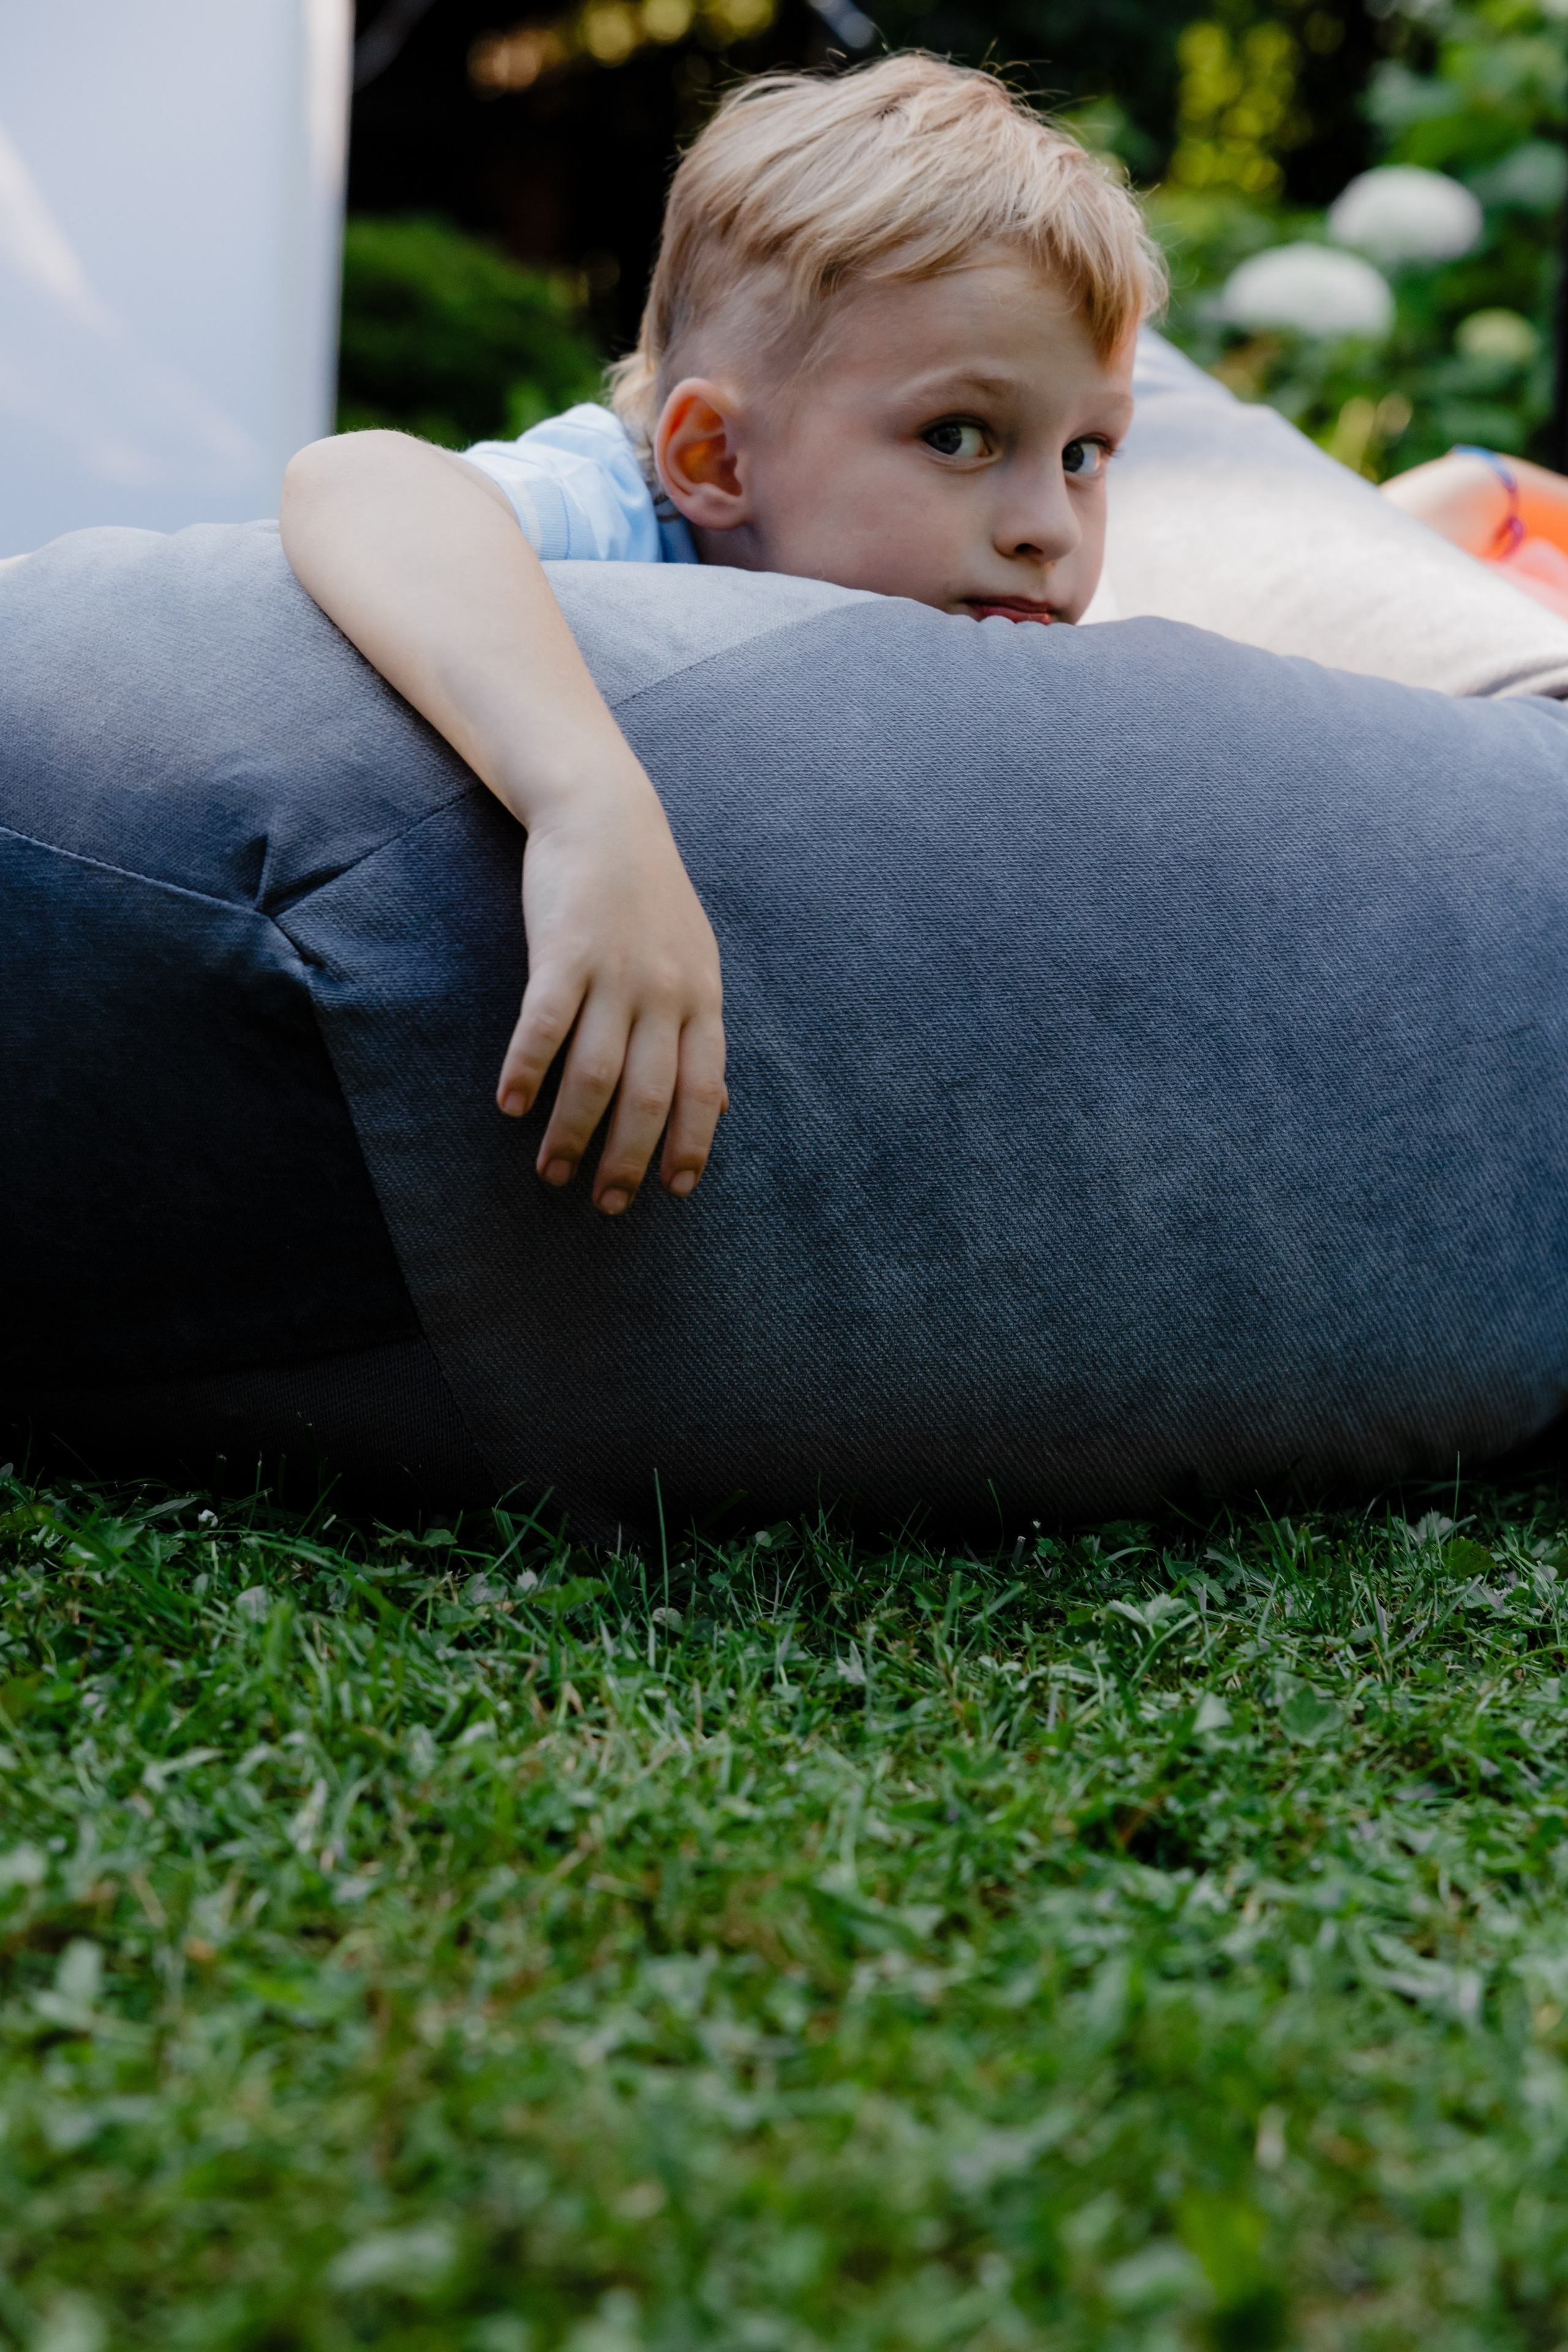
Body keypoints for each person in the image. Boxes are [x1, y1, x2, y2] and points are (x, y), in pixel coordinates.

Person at [281, 56, 1161, 1218]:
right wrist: (590, 806)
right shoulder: (617, 508)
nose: (1049, 527)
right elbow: (353, 481)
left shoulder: (977, 616)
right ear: (716, 460)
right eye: (958, 435)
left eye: (1083, 454)